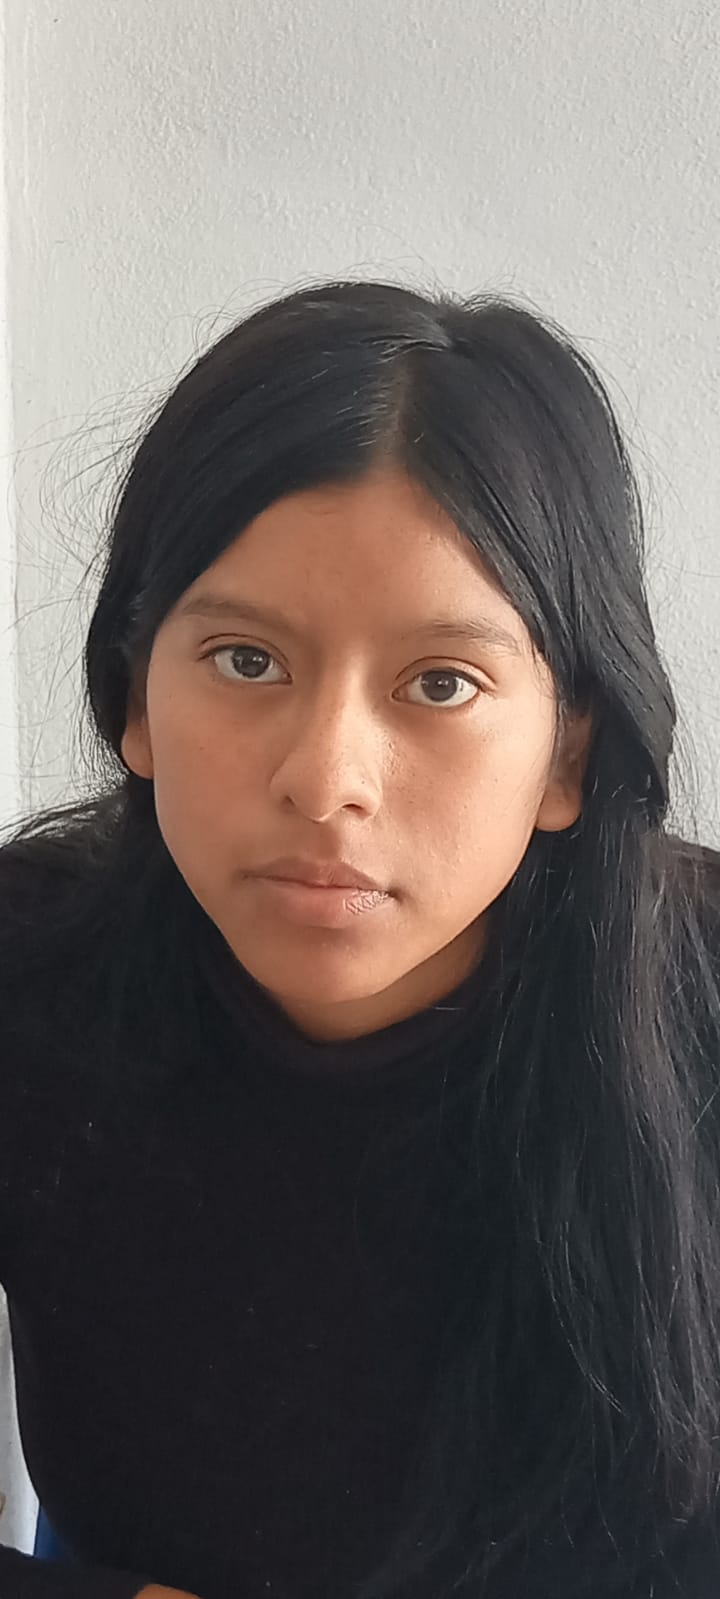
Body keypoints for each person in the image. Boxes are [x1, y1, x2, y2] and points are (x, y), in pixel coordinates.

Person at [1, 277, 719, 1599]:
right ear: (134, 700)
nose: (327, 779)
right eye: (246, 661)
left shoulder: (702, 1010)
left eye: (440, 683)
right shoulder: (26, 972)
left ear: (568, 753)